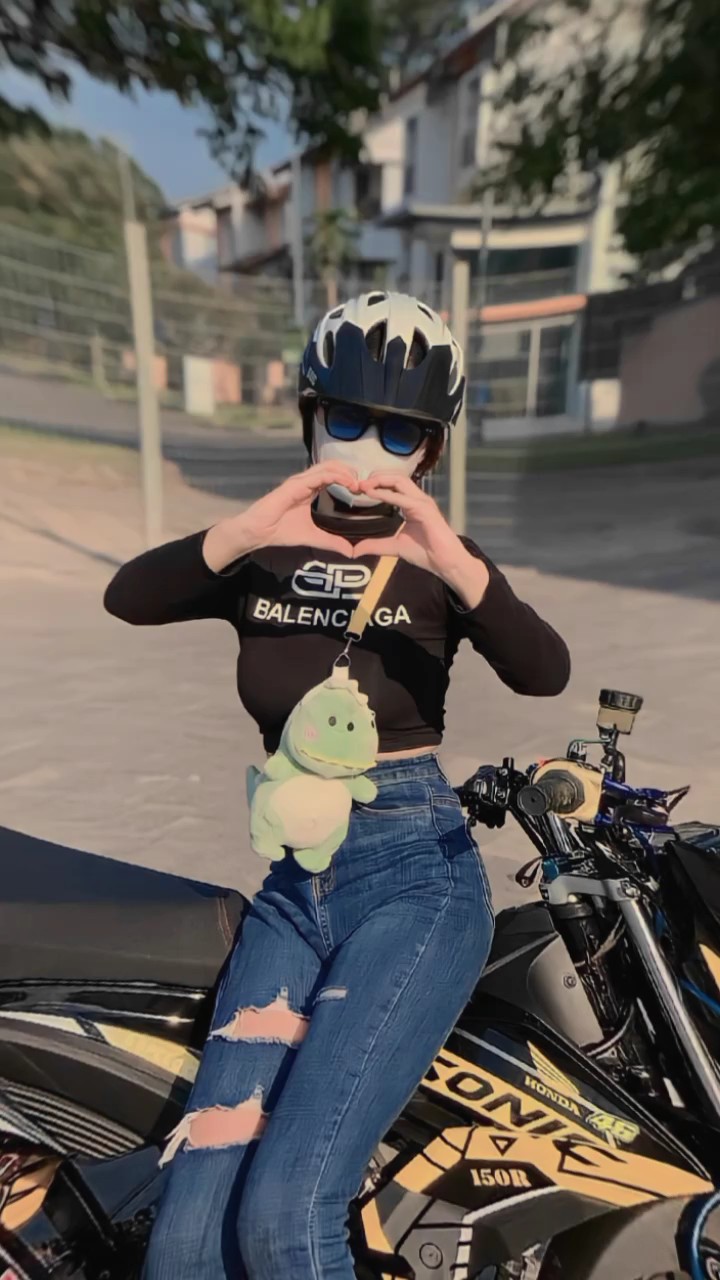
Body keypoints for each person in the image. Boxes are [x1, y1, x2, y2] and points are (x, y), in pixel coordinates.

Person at [104, 292, 570, 1280]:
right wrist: (242, 530)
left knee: (285, 1214)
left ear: (429, 450)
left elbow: (544, 670)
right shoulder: (261, 550)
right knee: (184, 1243)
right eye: (349, 418)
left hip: (416, 878)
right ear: (312, 416)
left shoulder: (441, 564)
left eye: (400, 432)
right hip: (293, 886)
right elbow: (128, 597)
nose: (369, 449)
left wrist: (449, 556)